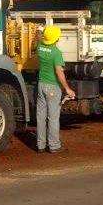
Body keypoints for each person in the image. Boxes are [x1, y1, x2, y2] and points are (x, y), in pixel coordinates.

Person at [36, 24, 75, 153]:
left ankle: (40, 145)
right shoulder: (56, 53)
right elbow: (59, 72)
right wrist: (67, 89)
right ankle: (54, 145)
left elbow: (39, 36)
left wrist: (40, 30)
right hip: (53, 86)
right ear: (56, 39)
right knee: (53, 118)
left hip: (41, 85)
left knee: (41, 116)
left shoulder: (40, 46)